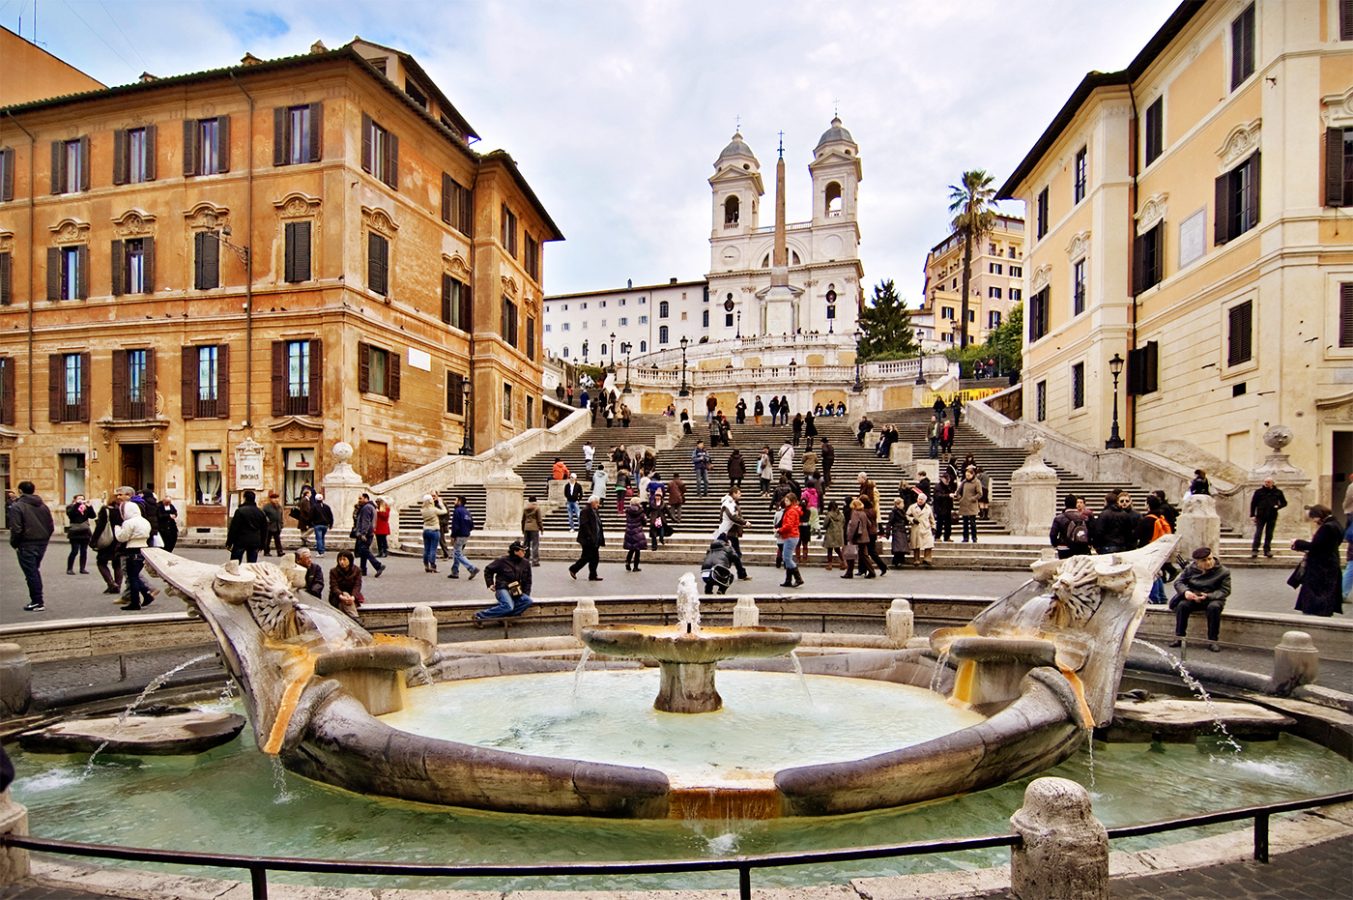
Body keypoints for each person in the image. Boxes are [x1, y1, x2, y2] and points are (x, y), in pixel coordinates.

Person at [1169, 547, 1231, 651]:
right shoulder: (1190, 569)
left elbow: (1225, 590)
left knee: (1214, 608)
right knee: (1182, 605)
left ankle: (1213, 641)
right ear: (1197, 562)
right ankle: (1179, 637)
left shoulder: (1223, 571)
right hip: (1194, 597)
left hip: (1213, 598)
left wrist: (1209, 596)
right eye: (1204, 560)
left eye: (1210, 559)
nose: (1208, 562)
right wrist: (1186, 592)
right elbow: (1179, 582)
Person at [1291, 505, 1344, 617]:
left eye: (1314, 517)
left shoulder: (1327, 527)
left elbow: (1316, 546)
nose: (1314, 521)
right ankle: (1322, 611)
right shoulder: (1337, 525)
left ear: (1319, 515)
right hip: (1331, 562)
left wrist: (1297, 542)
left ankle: (1316, 612)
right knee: (1327, 591)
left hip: (1321, 565)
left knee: (1317, 592)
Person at [10, 481, 55, 612]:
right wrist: (45, 537)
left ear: (20, 491)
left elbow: (16, 528)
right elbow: (50, 525)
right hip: (41, 542)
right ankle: (37, 600)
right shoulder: (43, 506)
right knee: (34, 570)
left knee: (31, 572)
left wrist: (15, 543)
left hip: (26, 543)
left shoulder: (17, 506)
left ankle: (37, 601)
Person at [113, 497, 155, 611]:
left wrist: (117, 528)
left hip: (132, 549)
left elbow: (122, 538)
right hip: (143, 548)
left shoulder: (129, 522)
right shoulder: (145, 521)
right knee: (135, 576)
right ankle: (146, 596)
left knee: (132, 578)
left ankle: (135, 602)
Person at [477, 541, 534, 623]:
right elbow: (488, 570)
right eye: (522, 550)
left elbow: (528, 580)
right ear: (515, 551)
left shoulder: (525, 563)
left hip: (516, 589)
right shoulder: (502, 561)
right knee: (508, 606)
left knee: (528, 601)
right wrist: (490, 584)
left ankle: (506, 617)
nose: (525, 552)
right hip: (502, 588)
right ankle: (480, 616)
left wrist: (526, 593)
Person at [717, 486, 750, 580]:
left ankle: (740, 573)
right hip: (728, 533)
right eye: (739, 493)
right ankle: (736, 573)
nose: (740, 495)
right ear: (734, 493)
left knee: (734, 554)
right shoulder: (728, 503)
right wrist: (744, 522)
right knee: (734, 554)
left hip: (729, 532)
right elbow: (732, 517)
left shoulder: (730, 502)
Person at [1249, 477, 1288, 559]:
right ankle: (1255, 549)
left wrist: (1278, 506)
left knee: (1269, 534)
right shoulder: (1259, 492)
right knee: (1258, 533)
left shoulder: (1278, 492)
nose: (1267, 483)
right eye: (1266, 482)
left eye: (1269, 482)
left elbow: (1284, 502)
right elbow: (1253, 504)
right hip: (1261, 515)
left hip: (1272, 515)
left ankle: (1267, 550)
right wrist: (1252, 515)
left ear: (1273, 483)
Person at [226, 490, 268, 564]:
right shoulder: (260, 512)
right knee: (252, 564)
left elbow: (234, 528)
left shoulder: (240, 511)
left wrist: (229, 542)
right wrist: (262, 543)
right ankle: (250, 575)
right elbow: (264, 529)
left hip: (240, 540)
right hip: (255, 540)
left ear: (244, 498)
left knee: (235, 562)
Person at [570, 496, 606, 581]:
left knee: (595, 558)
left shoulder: (595, 511)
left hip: (595, 539)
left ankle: (592, 575)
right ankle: (573, 569)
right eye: (597, 502)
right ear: (592, 502)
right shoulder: (585, 511)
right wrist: (590, 536)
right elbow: (584, 525)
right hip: (587, 539)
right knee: (587, 557)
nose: (598, 504)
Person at [353, 493, 385, 578]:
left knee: (364, 550)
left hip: (366, 533)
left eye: (361, 498)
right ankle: (363, 569)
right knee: (363, 550)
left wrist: (363, 533)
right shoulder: (370, 507)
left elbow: (365, 522)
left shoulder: (366, 508)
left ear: (366, 498)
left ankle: (378, 565)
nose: (359, 500)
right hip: (369, 532)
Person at [447, 496, 480, 579]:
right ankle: (455, 571)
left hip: (459, 535)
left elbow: (455, 525)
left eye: (455, 500)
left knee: (458, 554)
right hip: (466, 534)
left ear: (459, 501)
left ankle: (472, 568)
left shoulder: (457, 511)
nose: (454, 501)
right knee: (457, 552)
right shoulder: (467, 512)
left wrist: (453, 536)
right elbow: (472, 525)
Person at [843, 497, 874, 579]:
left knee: (851, 555)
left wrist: (849, 537)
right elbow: (869, 524)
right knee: (864, 555)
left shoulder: (855, 513)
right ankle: (871, 571)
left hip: (856, 537)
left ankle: (849, 573)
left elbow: (853, 525)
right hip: (864, 536)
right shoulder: (863, 513)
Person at [65, 494, 96, 575]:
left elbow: (93, 516)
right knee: (74, 551)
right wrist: (77, 505)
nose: (81, 500)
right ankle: (69, 568)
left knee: (84, 551)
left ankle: (82, 568)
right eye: (79, 499)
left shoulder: (85, 508)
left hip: (85, 531)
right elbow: (71, 514)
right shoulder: (70, 507)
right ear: (75, 500)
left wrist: (89, 507)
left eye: (82, 499)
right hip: (74, 532)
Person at [328, 549, 364, 618]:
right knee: (345, 594)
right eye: (340, 559)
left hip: (351, 597)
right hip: (337, 597)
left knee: (343, 606)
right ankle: (355, 618)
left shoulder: (357, 570)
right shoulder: (333, 571)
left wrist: (353, 597)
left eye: (344, 559)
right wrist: (341, 596)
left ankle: (354, 620)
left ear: (350, 560)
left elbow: (357, 585)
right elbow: (334, 587)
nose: (342, 562)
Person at [777, 493, 803, 588]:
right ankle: (788, 580)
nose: (785, 502)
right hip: (792, 535)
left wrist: (779, 530)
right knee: (787, 557)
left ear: (792, 501)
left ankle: (798, 578)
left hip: (791, 535)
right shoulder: (791, 510)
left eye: (787, 500)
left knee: (787, 558)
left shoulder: (791, 511)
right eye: (785, 500)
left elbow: (789, 525)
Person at [418, 493, 446, 573]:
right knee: (433, 549)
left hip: (426, 530)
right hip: (434, 530)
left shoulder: (422, 510)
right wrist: (441, 503)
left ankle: (426, 565)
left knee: (426, 549)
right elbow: (444, 511)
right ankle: (433, 566)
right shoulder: (434, 509)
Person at [907, 491, 937, 567]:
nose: (920, 501)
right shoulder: (912, 507)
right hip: (916, 527)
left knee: (929, 543)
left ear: (925, 500)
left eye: (922, 499)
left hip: (926, 527)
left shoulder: (928, 508)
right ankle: (916, 559)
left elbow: (931, 518)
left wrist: (933, 527)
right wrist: (912, 519)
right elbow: (907, 515)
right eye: (919, 499)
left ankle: (927, 558)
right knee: (916, 545)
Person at [957, 466, 983, 544]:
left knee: (972, 523)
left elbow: (980, 493)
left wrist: (973, 498)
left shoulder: (977, 482)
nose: (967, 477)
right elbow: (958, 491)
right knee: (965, 523)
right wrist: (960, 498)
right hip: (964, 504)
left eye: (969, 475)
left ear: (972, 475)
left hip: (972, 505)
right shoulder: (964, 482)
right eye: (966, 475)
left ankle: (974, 537)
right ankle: (965, 537)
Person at [622, 496, 648, 572]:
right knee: (637, 550)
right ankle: (635, 567)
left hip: (629, 531)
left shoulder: (628, 511)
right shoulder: (641, 512)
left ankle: (627, 562)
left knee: (631, 549)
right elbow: (644, 523)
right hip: (637, 532)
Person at [520, 495, 544, 566]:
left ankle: (525, 560)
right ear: (535, 501)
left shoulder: (525, 508)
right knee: (535, 545)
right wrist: (541, 528)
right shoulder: (537, 508)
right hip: (534, 527)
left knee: (526, 545)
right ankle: (535, 561)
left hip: (526, 527)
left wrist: (522, 529)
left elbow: (523, 520)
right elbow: (539, 520)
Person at [823, 500, 845, 570]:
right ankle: (843, 562)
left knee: (829, 550)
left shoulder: (829, 515)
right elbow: (844, 522)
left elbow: (825, 525)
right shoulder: (841, 515)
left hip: (830, 533)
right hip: (839, 533)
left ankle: (830, 564)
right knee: (838, 549)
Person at [260, 491, 285, 557]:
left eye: (277, 498)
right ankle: (266, 551)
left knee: (278, 540)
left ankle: (280, 552)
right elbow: (263, 515)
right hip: (269, 526)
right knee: (267, 540)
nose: (276, 500)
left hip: (277, 526)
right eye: (274, 498)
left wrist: (281, 524)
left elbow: (281, 515)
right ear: (271, 499)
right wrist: (266, 521)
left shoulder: (279, 507)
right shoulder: (266, 507)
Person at [888, 498, 910, 566]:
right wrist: (887, 532)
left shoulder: (902, 511)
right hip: (897, 529)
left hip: (902, 529)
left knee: (902, 545)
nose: (903, 505)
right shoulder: (894, 512)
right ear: (898, 504)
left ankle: (900, 559)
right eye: (902, 503)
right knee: (899, 545)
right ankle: (897, 560)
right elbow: (890, 522)